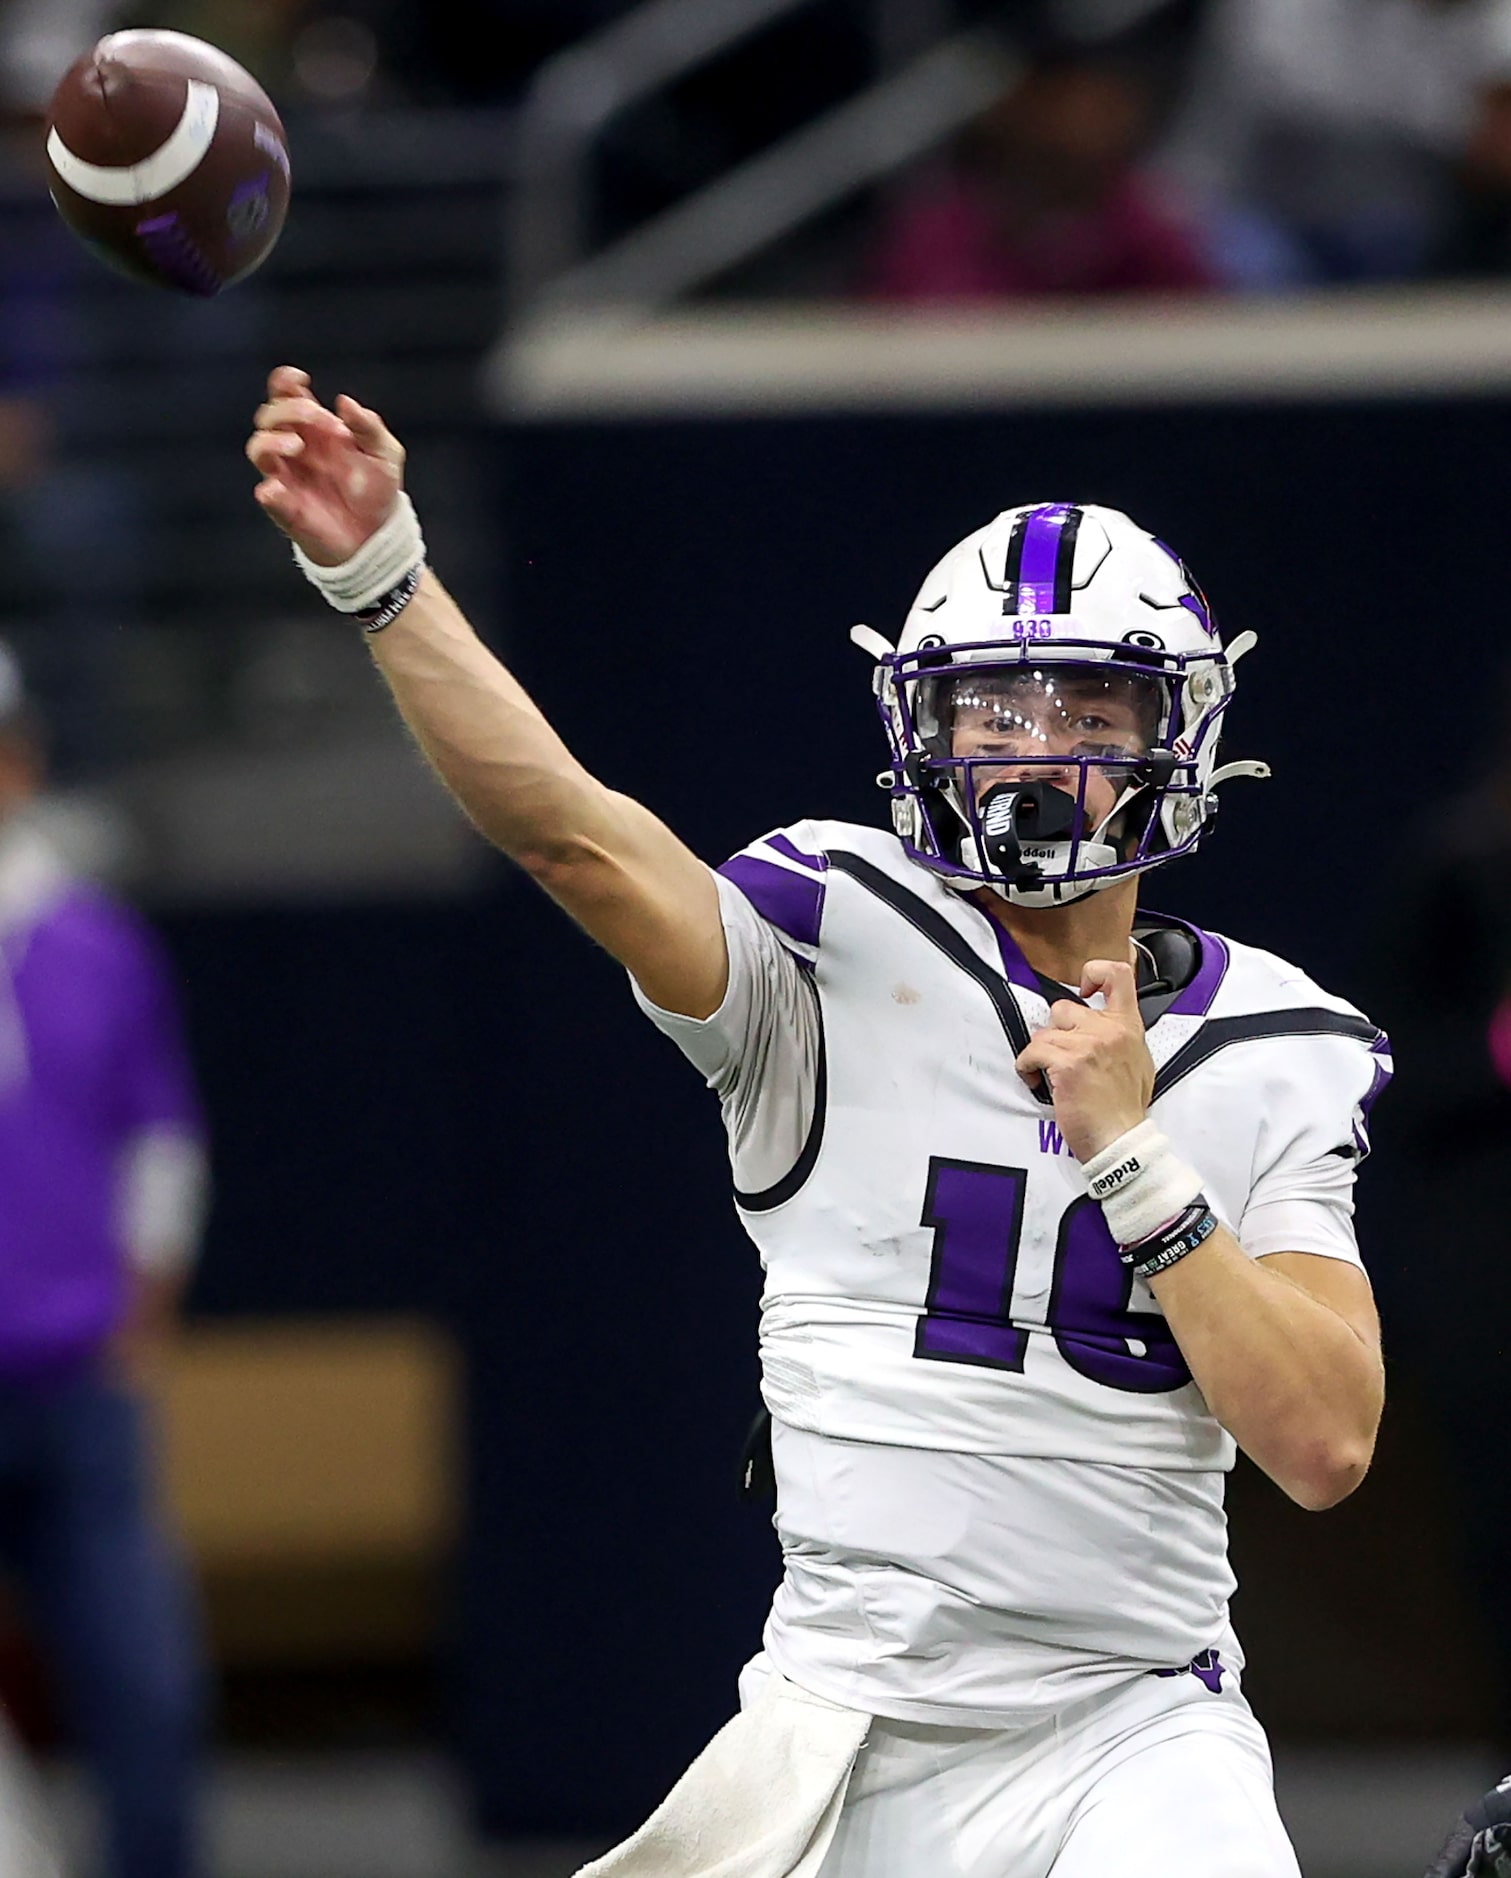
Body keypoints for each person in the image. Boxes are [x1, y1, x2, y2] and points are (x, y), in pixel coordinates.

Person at [247, 367, 1389, 1877]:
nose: (1035, 754)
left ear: (1175, 730)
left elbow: (1320, 1440)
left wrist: (1134, 1156)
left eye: (1086, 708)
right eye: (992, 708)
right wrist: (384, 576)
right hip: (845, 1725)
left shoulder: (1274, 1046)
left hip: (1132, 1727)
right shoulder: (829, 938)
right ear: (922, 730)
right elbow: (574, 838)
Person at [0, 641, 209, 1878]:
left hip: (78, 1383)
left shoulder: (96, 942)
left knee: (146, 1692)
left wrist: (144, 1314)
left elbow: (163, 1144)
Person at [860, 44, 1217, 302]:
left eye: (1102, 107)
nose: (1082, 125)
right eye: (1062, 102)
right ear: (1016, 106)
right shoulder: (933, 243)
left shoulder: (1155, 240)